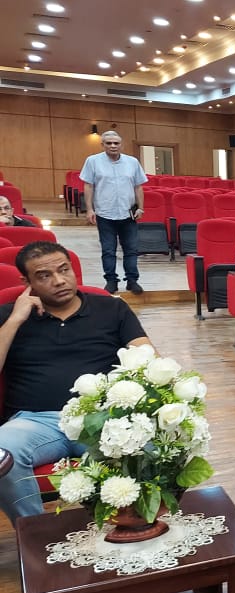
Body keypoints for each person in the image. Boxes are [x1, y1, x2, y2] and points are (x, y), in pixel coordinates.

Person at [0, 241, 151, 523]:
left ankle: (132, 525)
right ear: (27, 282)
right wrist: (15, 320)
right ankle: (32, 530)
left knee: (149, 445)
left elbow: (147, 359)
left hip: (102, 417)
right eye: (44, 275)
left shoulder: (112, 308)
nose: (59, 281)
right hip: (34, 422)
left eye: (64, 270)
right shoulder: (8, 315)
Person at [80, 130, 147, 295]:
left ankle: (132, 281)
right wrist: (89, 209)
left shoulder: (132, 162)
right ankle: (111, 281)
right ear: (102, 145)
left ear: (121, 145)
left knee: (131, 249)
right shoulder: (92, 161)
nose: (113, 146)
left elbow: (138, 186)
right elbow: (88, 186)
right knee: (108, 250)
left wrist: (140, 207)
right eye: (109, 143)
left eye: (116, 143)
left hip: (128, 214)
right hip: (105, 213)